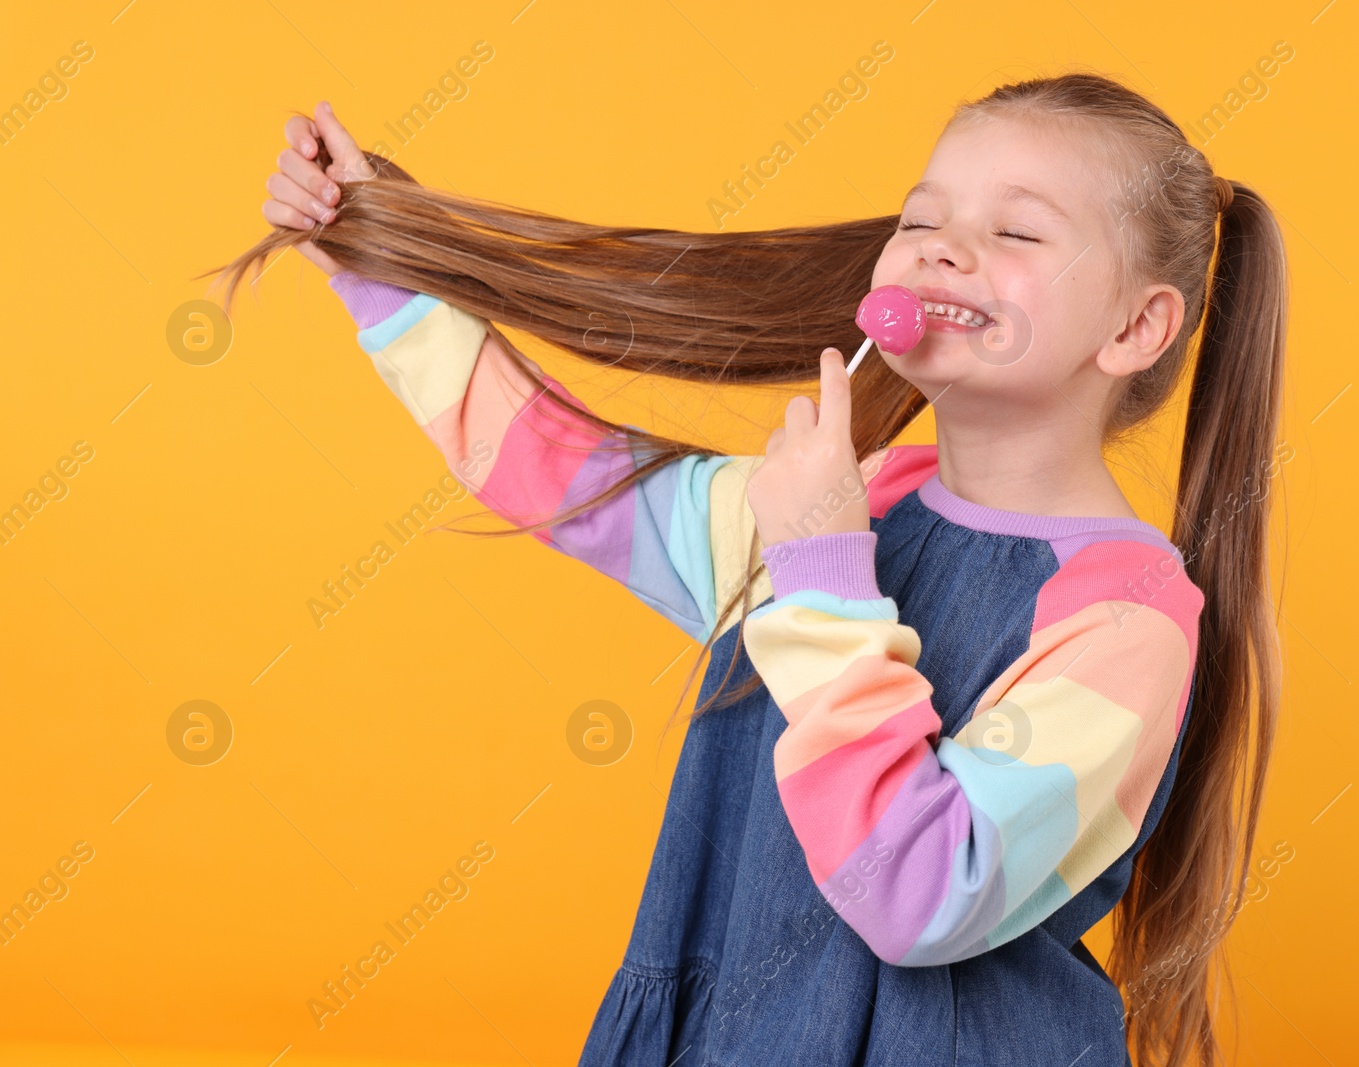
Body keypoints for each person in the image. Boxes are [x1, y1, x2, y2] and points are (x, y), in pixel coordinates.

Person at [217, 70, 1287, 1066]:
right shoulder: (847, 499)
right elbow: (561, 472)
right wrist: (386, 268)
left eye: (1013, 230)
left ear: (1136, 326)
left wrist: (822, 565)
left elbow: (916, 893)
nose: (937, 249)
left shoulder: (1123, 618)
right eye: (919, 219)